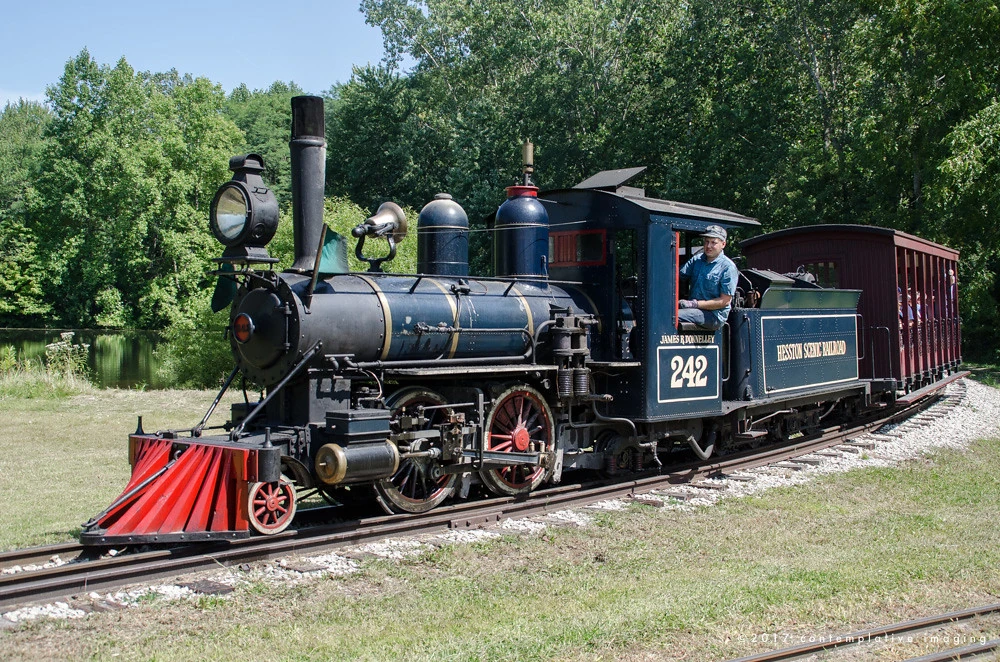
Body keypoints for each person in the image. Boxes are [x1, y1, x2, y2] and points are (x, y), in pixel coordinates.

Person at [678, 225, 739, 330]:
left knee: (672, 316)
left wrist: (694, 304)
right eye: (706, 242)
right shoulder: (697, 260)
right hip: (694, 310)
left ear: (723, 244)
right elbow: (677, 275)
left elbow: (724, 301)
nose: (708, 246)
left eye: (713, 242)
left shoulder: (728, 267)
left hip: (714, 315)